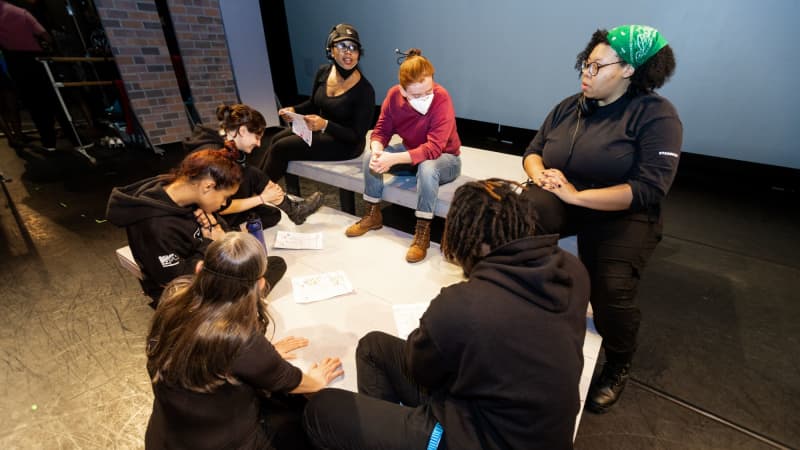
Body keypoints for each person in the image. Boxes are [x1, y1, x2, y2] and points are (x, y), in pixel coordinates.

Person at [304, 179, 590, 450]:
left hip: (478, 438)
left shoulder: (463, 306)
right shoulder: (572, 270)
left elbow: (423, 372)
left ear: (468, 242)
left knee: (321, 410)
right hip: (539, 431)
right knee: (373, 347)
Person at [522, 25, 682, 413]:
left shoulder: (657, 117)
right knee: (523, 215)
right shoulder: (568, 106)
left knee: (611, 289)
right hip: (569, 196)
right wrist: (541, 174)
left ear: (628, 70)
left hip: (624, 212)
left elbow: (647, 190)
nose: (585, 74)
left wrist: (578, 195)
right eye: (585, 64)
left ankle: (620, 358)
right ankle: (525, 313)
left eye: (596, 67)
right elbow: (533, 151)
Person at [144, 232, 344, 449]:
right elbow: (288, 379)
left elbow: (205, 352)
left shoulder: (174, 297)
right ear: (260, 285)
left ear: (200, 268)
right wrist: (316, 380)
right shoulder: (239, 338)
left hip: (168, 435)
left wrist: (266, 355)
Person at [106, 149, 287, 307]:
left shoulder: (189, 196)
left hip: (206, 265)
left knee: (271, 265)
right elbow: (174, 280)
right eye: (225, 197)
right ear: (208, 186)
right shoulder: (155, 226)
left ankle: (239, 303)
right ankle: (232, 312)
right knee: (256, 279)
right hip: (185, 291)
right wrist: (211, 244)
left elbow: (220, 230)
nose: (224, 204)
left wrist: (217, 232)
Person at [345, 48, 461, 263]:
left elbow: (433, 149)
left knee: (427, 167)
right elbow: (381, 131)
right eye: (416, 95)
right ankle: (372, 214)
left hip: (446, 159)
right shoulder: (393, 96)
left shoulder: (442, 98)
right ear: (403, 91)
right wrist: (378, 149)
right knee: (370, 156)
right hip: (411, 155)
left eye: (428, 91)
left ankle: (422, 231)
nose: (425, 98)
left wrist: (394, 159)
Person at [263, 23, 375, 183]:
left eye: (353, 47)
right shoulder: (323, 71)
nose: (348, 51)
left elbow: (356, 136)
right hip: (322, 130)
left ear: (359, 54)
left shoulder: (365, 90)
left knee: (281, 147)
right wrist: (294, 109)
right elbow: (313, 103)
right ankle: (253, 187)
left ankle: (259, 195)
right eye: (342, 45)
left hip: (346, 144)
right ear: (331, 50)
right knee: (274, 139)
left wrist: (325, 125)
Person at [184, 103, 324, 228]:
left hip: (219, 204)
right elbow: (218, 206)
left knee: (272, 214)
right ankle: (230, 233)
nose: (258, 144)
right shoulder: (214, 157)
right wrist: (262, 198)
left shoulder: (228, 148)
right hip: (208, 215)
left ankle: (293, 209)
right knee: (252, 179)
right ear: (243, 130)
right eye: (257, 137)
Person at [0, 0, 76, 152]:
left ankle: (48, 142)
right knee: (55, 99)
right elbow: (45, 35)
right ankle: (75, 137)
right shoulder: (20, 12)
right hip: (38, 59)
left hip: (16, 62)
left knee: (34, 104)